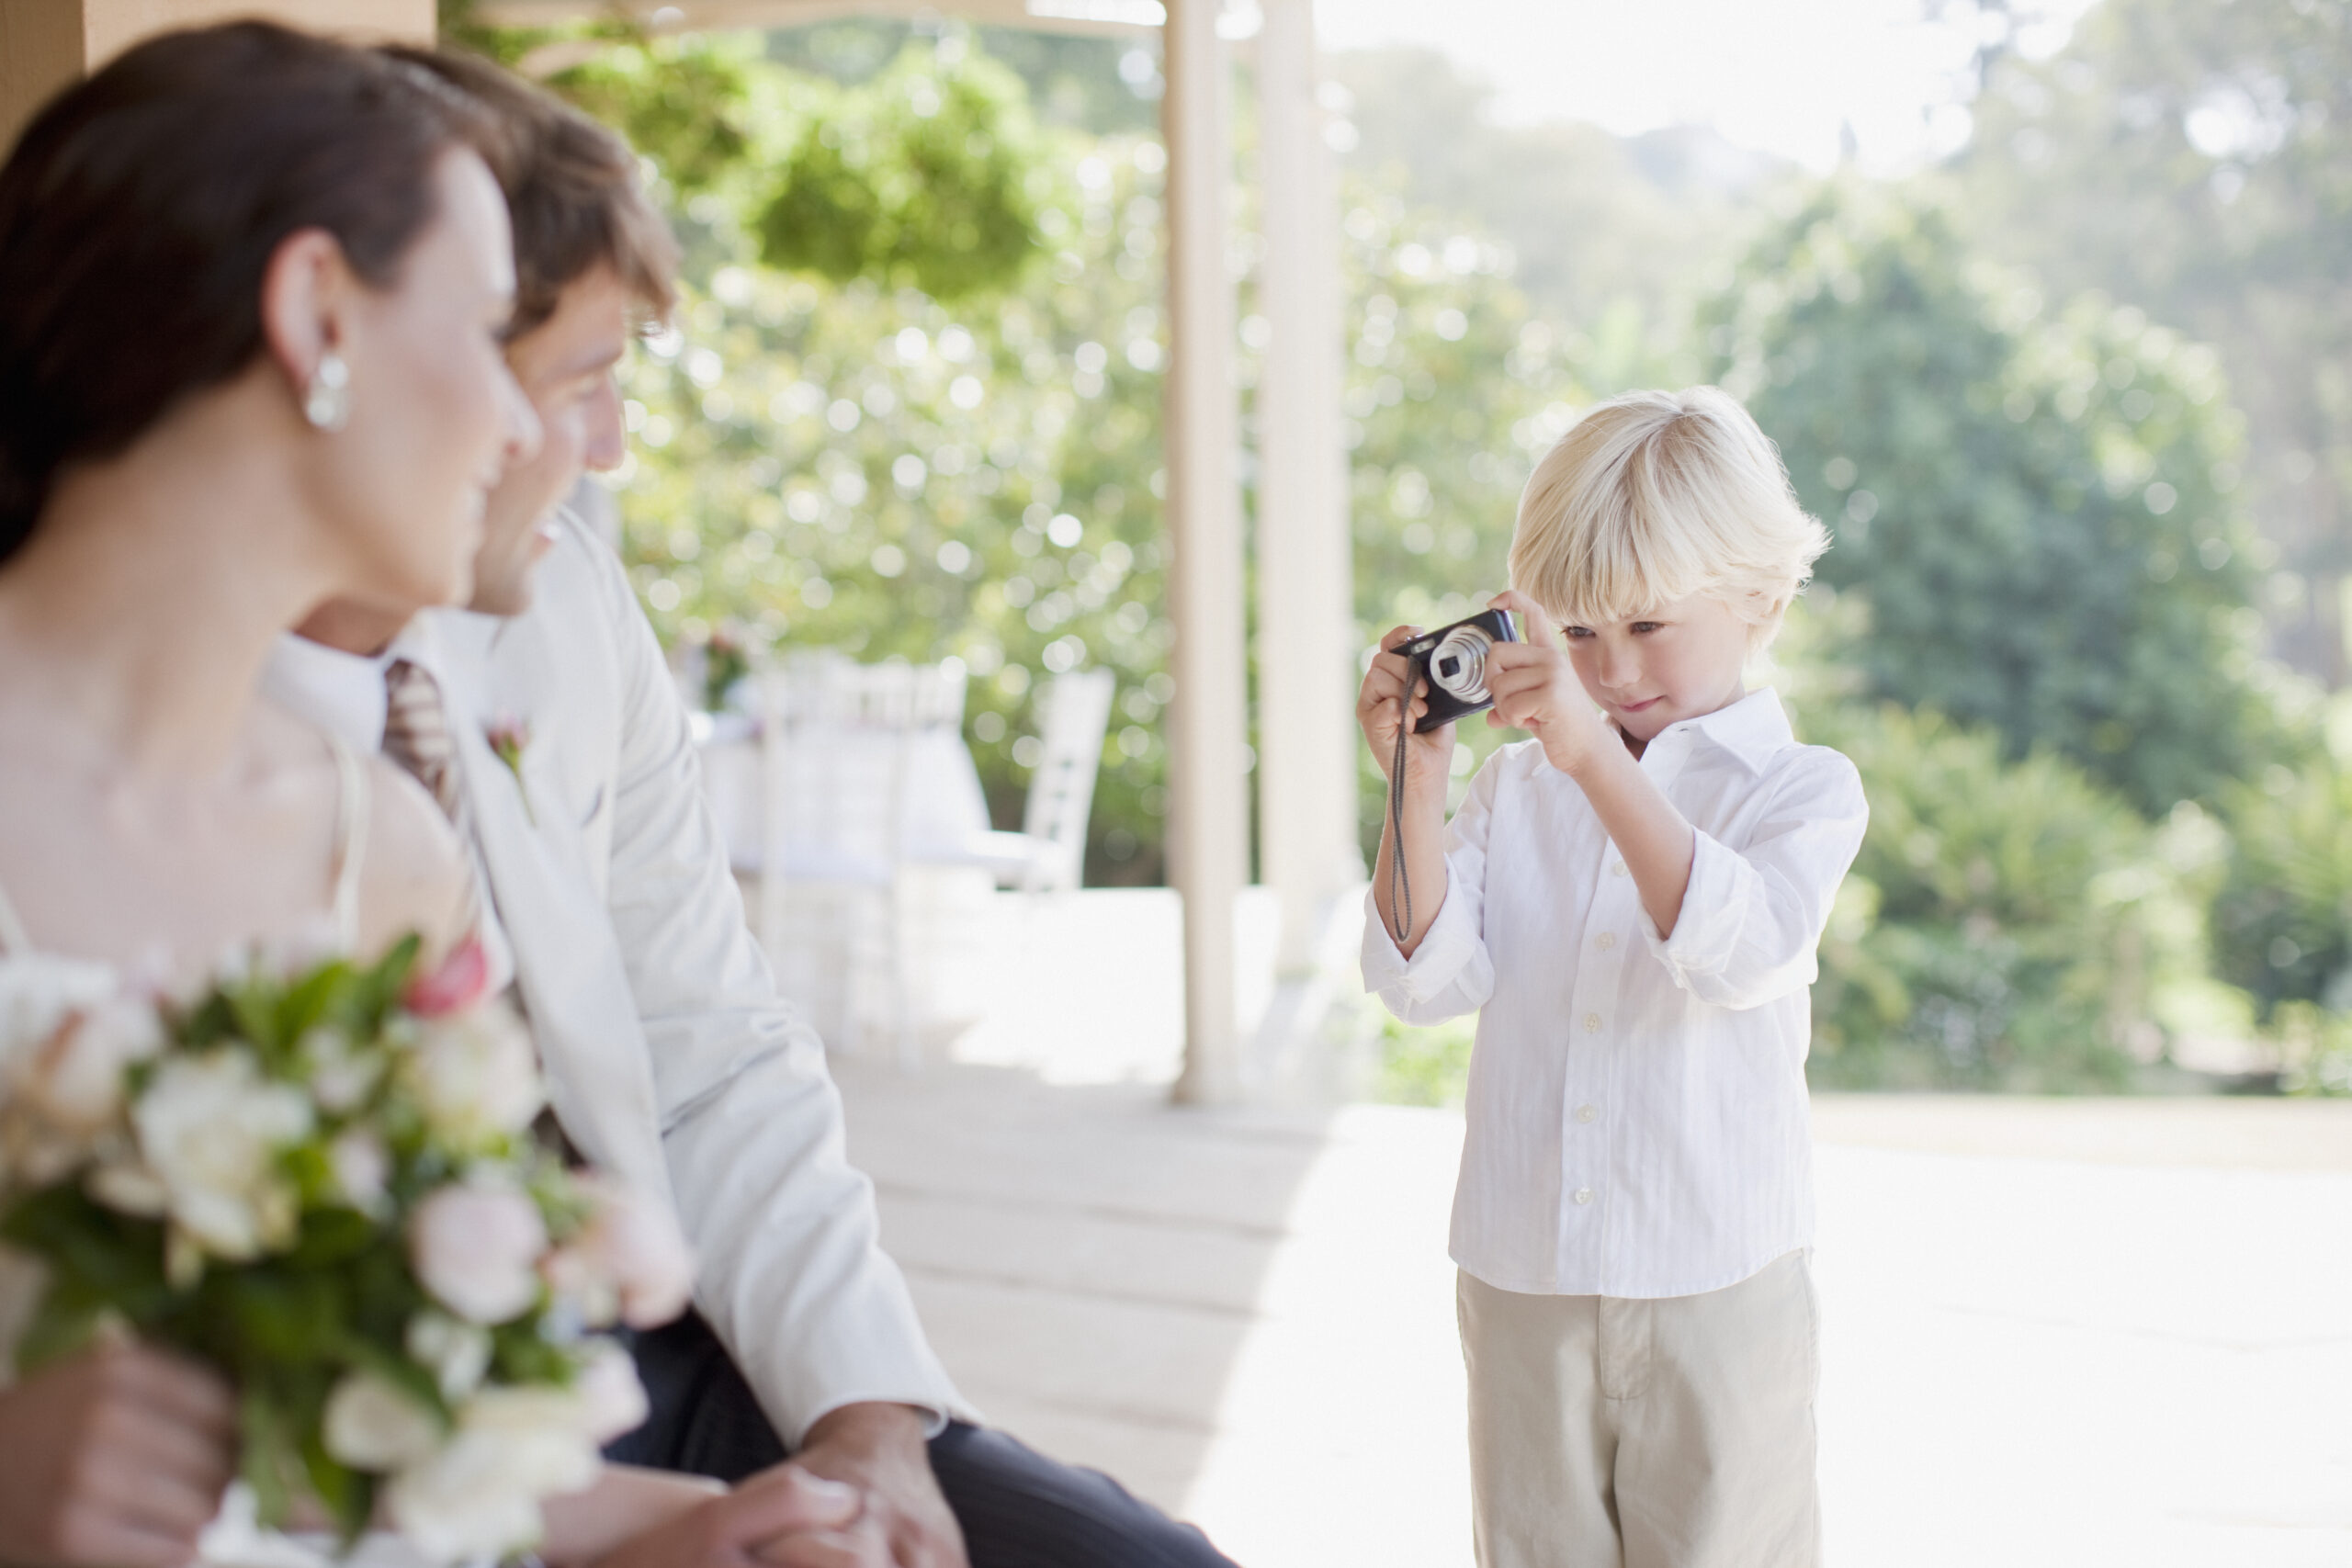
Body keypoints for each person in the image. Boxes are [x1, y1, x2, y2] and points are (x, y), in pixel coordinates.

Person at [266, 48, 1241, 1568]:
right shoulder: (157, 741)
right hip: (353, 1435)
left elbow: (710, 1040)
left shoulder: (560, 595)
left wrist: (861, 1419)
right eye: (581, 380)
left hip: (669, 1344)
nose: (608, 453)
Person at [0, 25, 881, 1568]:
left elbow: (378, 1455)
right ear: (316, 314)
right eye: (485, 333)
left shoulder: (381, 850)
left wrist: (690, 1533)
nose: (529, 423)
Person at [1358, 387, 1870, 1568]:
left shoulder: (1799, 790)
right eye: (1577, 635)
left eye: (1647, 627)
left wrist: (1592, 761)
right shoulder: (1516, 789)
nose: (1612, 669)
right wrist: (1415, 785)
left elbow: (1741, 955)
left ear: (1761, 601)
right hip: (1523, 1274)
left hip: (1715, 1284)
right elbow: (1423, 981)